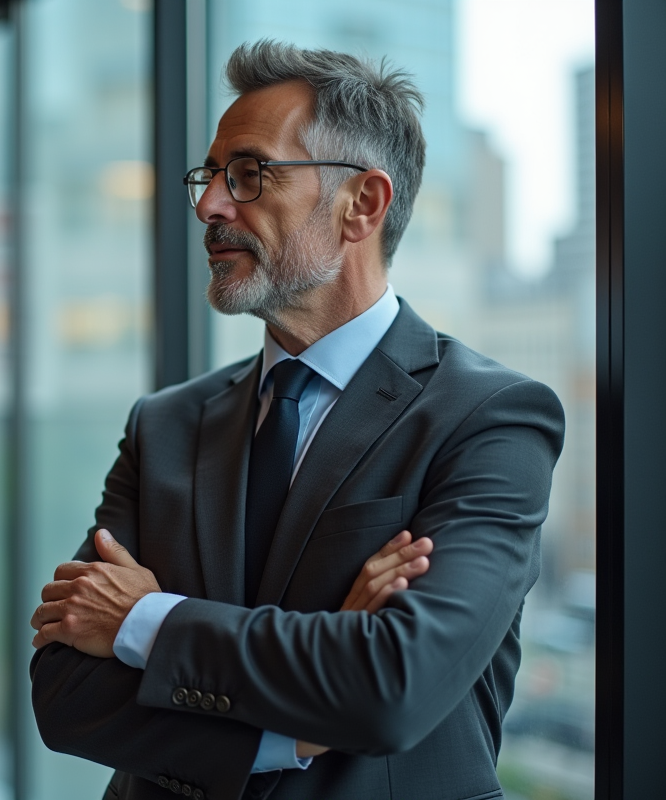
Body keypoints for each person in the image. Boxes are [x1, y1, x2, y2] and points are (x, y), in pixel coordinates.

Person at [28, 40, 565, 800]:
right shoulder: (166, 426)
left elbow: (393, 685)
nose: (210, 205)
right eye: (209, 178)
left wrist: (147, 619)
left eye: (248, 174)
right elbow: (67, 698)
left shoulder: (490, 418)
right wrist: (301, 728)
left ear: (363, 204)